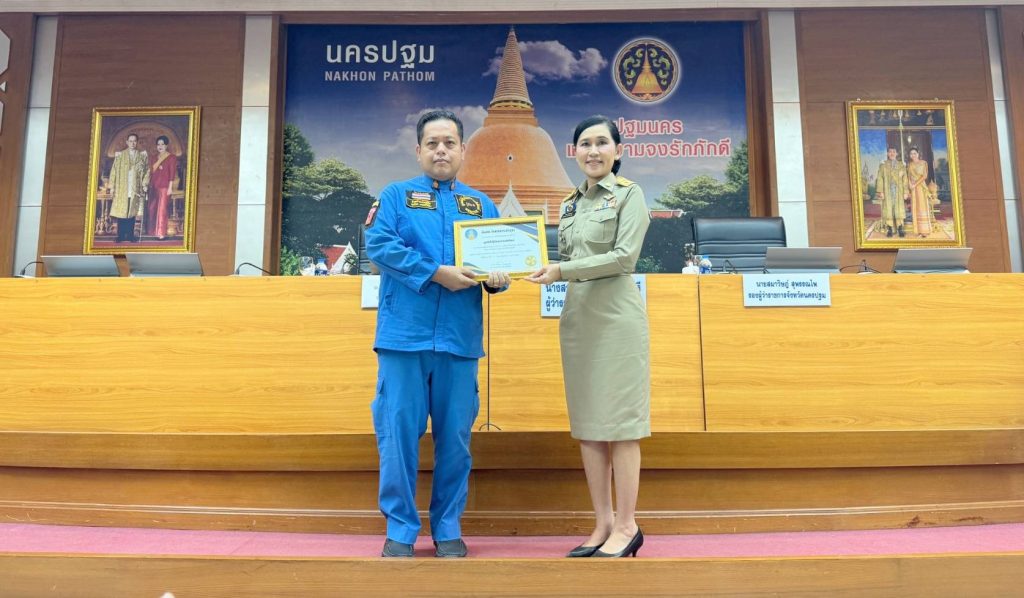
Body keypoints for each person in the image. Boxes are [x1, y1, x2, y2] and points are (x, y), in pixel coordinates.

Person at [364, 110, 510, 559]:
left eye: (449, 143)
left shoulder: (481, 205)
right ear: (418, 151)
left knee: (456, 442)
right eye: (432, 143)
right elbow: (379, 246)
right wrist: (434, 272)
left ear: (463, 150)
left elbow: (500, 261)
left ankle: (448, 526)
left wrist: (499, 278)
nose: (441, 150)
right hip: (403, 338)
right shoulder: (395, 196)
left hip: (459, 340)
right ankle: (401, 529)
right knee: (397, 436)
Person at [525, 115, 651, 558]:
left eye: (601, 143)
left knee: (622, 426)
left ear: (618, 150)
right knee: (590, 428)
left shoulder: (630, 195)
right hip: (578, 320)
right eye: (584, 144)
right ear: (573, 152)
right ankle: (603, 523)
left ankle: (628, 525)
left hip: (617, 321)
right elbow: (562, 257)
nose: (593, 151)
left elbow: (623, 258)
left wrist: (561, 271)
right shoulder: (568, 204)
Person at [107, 133, 150, 243]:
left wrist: (145, 184)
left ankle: (130, 236)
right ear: (127, 142)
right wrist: (112, 187)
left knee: (131, 212)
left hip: (135, 188)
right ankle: (121, 236)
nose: (132, 143)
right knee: (122, 212)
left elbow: (147, 171)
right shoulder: (120, 155)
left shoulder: (142, 156)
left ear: (137, 142)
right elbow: (114, 171)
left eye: (134, 141)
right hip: (122, 188)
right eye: (130, 141)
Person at [146, 135, 179, 240]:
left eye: (162, 144)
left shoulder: (171, 157)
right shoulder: (153, 157)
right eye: (158, 144)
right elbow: (151, 171)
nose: (160, 146)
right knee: (152, 209)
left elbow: (172, 173)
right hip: (153, 186)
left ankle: (161, 233)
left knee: (162, 210)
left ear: (166, 145)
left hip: (164, 187)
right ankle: (152, 232)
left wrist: (170, 188)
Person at [874, 146, 909, 238]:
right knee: (888, 209)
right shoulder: (883, 165)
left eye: (894, 152)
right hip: (887, 190)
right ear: (887, 153)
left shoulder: (901, 165)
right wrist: (881, 191)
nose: (892, 153)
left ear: (896, 153)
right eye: (890, 152)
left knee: (899, 209)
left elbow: (905, 179)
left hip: (899, 191)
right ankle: (890, 229)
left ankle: (900, 228)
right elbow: (880, 178)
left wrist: (906, 192)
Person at [906, 147, 933, 238]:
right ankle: (918, 230)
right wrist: (910, 185)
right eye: (911, 154)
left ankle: (924, 231)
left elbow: (924, 176)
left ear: (918, 154)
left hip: (921, 187)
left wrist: (915, 184)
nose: (913, 155)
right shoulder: (910, 165)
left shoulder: (923, 163)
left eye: (914, 153)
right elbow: (909, 176)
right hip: (913, 189)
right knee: (915, 207)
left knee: (922, 207)